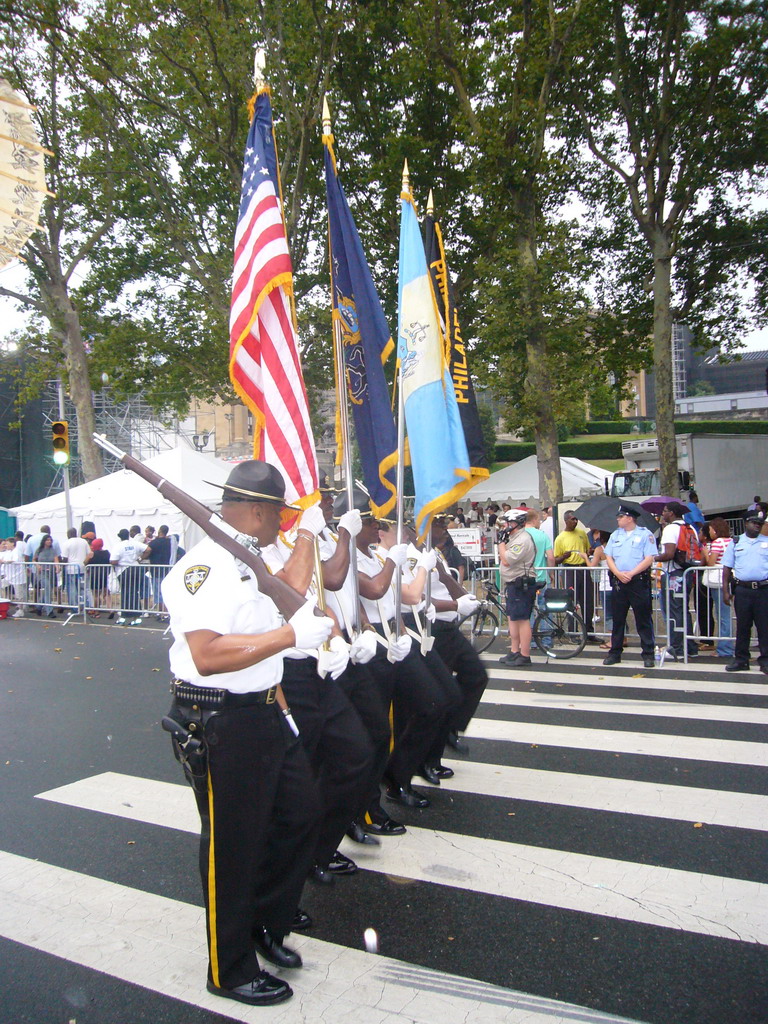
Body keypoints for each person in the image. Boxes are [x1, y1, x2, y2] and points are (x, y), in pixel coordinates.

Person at [161, 460, 334, 1008]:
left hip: (262, 713)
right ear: (258, 511)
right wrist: (289, 635)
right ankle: (228, 967)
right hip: (219, 720)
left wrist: (281, 707)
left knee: (302, 813)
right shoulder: (206, 567)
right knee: (232, 846)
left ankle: (265, 920)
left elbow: (284, 599)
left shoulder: (249, 559)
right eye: (280, 514)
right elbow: (208, 655)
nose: (282, 522)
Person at [602, 507, 658, 668]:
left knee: (643, 618)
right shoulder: (615, 535)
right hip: (619, 581)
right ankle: (615, 652)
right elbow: (609, 556)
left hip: (637, 581)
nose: (617, 519)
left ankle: (648, 653)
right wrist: (618, 573)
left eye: (620, 517)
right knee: (618, 619)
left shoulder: (644, 534)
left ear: (629, 518)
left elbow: (649, 558)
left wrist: (631, 573)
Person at [721, 511, 768, 674]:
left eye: (760, 523)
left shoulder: (767, 542)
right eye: (754, 522)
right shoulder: (736, 542)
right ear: (746, 523)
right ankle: (741, 659)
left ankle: (766, 661)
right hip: (742, 590)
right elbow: (727, 568)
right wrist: (725, 591)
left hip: (763, 589)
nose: (757, 525)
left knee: (764, 627)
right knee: (742, 626)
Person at [656, 501, 700, 660]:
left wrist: (653, 558)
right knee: (683, 609)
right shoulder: (690, 528)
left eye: (665, 511)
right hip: (686, 572)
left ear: (672, 513)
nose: (663, 513)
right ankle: (690, 646)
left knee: (674, 611)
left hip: (672, 573)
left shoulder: (670, 529)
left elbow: (668, 554)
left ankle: (677, 648)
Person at [498, 510, 538, 667]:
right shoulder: (514, 537)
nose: (506, 526)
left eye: (509, 523)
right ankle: (515, 651)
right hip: (512, 583)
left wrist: (501, 543)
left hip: (521, 583)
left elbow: (507, 560)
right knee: (512, 618)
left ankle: (525, 654)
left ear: (517, 523)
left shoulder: (522, 539)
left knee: (522, 619)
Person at [553, 510, 594, 637]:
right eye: (573, 519)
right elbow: (555, 559)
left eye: (576, 519)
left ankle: (589, 632)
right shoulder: (560, 538)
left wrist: (590, 552)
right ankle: (572, 632)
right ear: (566, 521)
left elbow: (588, 550)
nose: (575, 522)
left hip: (583, 569)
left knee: (588, 601)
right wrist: (564, 557)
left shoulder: (582, 533)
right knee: (571, 601)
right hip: (570, 570)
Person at [701, 519, 734, 659]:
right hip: (729, 580)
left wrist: (705, 553)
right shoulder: (731, 541)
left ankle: (724, 648)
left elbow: (711, 563)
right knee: (725, 614)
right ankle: (726, 646)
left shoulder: (717, 543)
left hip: (718, 581)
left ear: (715, 530)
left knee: (722, 615)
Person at [111, 528, 148, 625]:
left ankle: (124, 616)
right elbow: (148, 549)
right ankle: (136, 617)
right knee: (135, 593)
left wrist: (119, 562)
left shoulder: (118, 546)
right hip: (136, 568)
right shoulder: (135, 543)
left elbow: (113, 560)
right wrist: (139, 558)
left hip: (124, 570)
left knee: (126, 594)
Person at [588, 530, 613, 649]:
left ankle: (612, 639)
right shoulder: (617, 547)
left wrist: (585, 557)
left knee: (609, 614)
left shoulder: (600, 549)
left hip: (606, 584)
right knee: (619, 612)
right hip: (617, 584)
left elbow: (592, 566)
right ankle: (623, 637)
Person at [61, 527, 92, 611]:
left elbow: (65, 558)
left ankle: (74, 608)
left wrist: (61, 566)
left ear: (68, 534)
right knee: (83, 588)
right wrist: (85, 563)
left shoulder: (66, 543)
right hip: (82, 567)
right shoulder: (84, 541)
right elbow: (90, 554)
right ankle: (87, 606)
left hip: (71, 569)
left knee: (72, 589)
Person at [33, 535, 59, 617]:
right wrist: (37, 565)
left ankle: (39, 607)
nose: (49, 541)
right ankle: (49, 611)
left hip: (51, 572)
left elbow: (56, 560)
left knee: (48, 590)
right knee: (47, 588)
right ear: (44, 541)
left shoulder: (53, 550)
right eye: (47, 540)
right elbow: (34, 559)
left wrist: (57, 568)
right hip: (42, 572)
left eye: (50, 540)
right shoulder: (39, 550)